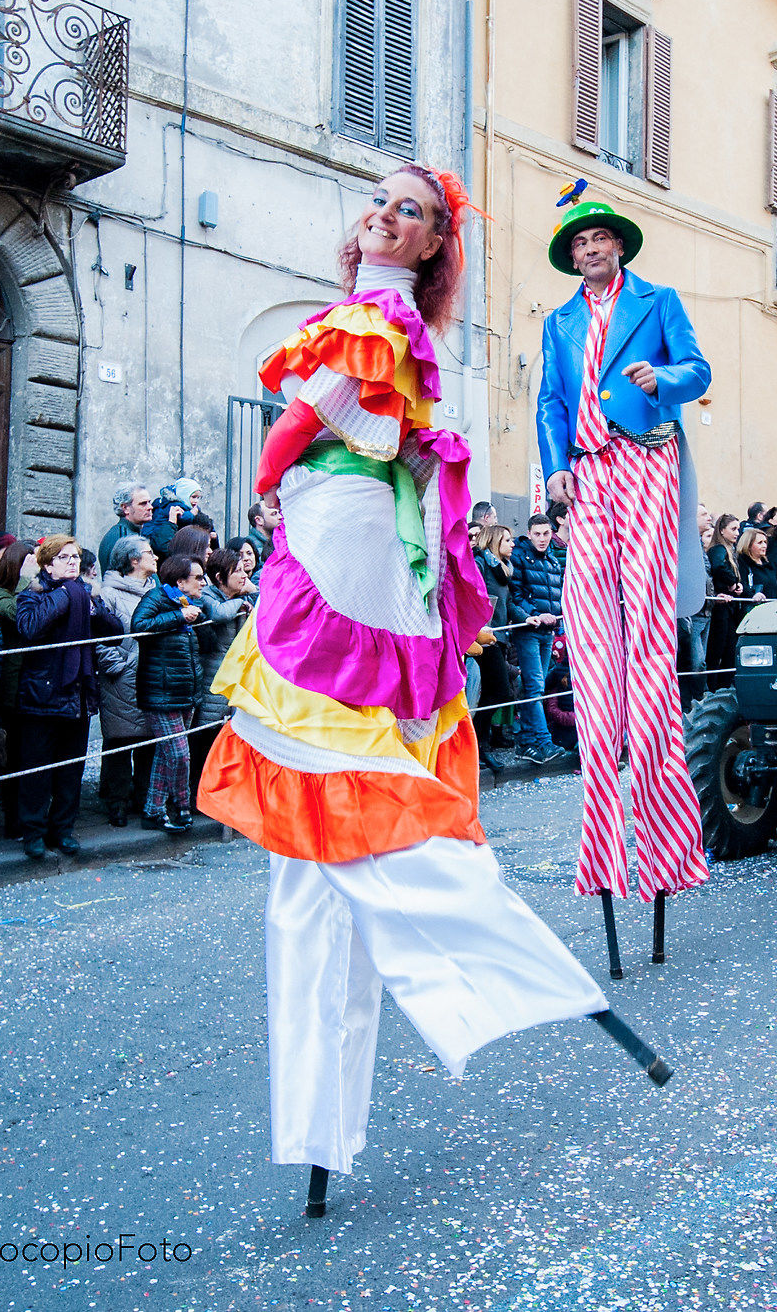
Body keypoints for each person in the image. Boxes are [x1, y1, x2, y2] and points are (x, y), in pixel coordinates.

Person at [196, 164, 658, 1205]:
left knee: (333, 794)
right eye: (379, 199)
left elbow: (296, 427)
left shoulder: (375, 323)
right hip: (341, 545)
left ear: (431, 245)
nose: (384, 213)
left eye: (410, 210)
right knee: (321, 841)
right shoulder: (382, 328)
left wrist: (269, 486)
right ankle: (346, 1104)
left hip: (340, 549)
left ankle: (493, 956)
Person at [533, 185, 716, 908]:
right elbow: (550, 400)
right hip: (588, 470)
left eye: (599, 238)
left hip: (644, 457)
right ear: (572, 256)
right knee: (589, 630)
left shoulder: (658, 300)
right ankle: (604, 824)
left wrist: (661, 377)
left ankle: (663, 815)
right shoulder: (559, 322)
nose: (590, 250)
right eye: (579, 244)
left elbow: (697, 372)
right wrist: (553, 468)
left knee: (644, 619)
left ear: (619, 245)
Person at [16, 534, 124, 856]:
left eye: (75, 557)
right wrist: (66, 594)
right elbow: (29, 628)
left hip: (77, 695)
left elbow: (116, 633)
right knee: (37, 770)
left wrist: (90, 607)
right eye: (64, 558)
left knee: (71, 770)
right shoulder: (33, 594)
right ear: (48, 565)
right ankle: (33, 833)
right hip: (42, 694)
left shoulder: (86, 596)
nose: (73, 562)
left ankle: (62, 829)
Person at [132, 552, 209, 831]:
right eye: (198, 578)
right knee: (178, 754)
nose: (204, 583)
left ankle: (153, 811)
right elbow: (138, 627)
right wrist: (178, 616)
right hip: (161, 691)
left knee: (167, 754)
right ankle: (181, 805)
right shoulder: (155, 598)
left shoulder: (188, 600)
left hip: (185, 689)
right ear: (180, 581)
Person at [189, 549, 255, 811]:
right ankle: (199, 798)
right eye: (236, 571)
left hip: (232, 680)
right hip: (211, 678)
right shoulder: (208, 595)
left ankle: (220, 798)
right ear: (218, 577)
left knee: (227, 741)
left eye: (243, 569)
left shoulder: (238, 595)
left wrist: (249, 590)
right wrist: (240, 601)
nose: (243, 575)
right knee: (205, 740)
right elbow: (218, 613)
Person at [96, 536, 154, 825]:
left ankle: (143, 799)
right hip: (120, 679)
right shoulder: (109, 594)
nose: (155, 557)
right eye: (148, 553)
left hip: (151, 676)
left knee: (149, 742)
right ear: (133, 560)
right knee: (120, 742)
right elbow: (98, 637)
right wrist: (117, 665)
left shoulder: (156, 591)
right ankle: (116, 802)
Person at [0, 539, 37, 841]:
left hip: (35, 685)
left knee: (29, 755)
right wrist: (30, 580)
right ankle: (12, 819)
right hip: (11, 687)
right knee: (13, 755)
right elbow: (21, 616)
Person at [508, 516, 570, 764]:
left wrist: (556, 622)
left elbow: (558, 597)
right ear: (529, 533)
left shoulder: (553, 560)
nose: (542, 539)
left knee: (536, 686)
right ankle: (543, 741)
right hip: (529, 630)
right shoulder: (520, 557)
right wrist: (535, 615)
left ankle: (525, 741)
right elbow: (516, 594)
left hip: (548, 631)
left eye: (546, 534)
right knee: (535, 686)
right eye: (537, 534)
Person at [470, 526, 527, 774]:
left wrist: (528, 617)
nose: (512, 544)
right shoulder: (481, 563)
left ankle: (478, 746)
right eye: (507, 540)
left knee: (495, 693)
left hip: (499, 637)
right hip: (484, 638)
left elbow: (509, 603)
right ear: (494, 541)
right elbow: (472, 596)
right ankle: (478, 746)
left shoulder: (503, 570)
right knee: (499, 692)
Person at [99, 482, 155, 571]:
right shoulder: (121, 537)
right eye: (143, 503)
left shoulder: (131, 533)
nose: (150, 507)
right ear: (125, 508)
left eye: (149, 502)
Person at [144, 478, 205, 558]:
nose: (196, 501)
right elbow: (183, 517)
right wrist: (192, 514)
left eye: (198, 498)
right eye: (193, 497)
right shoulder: (175, 505)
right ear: (184, 495)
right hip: (159, 535)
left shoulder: (165, 503)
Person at [242, 499, 278, 566]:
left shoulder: (279, 541)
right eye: (274, 514)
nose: (280, 517)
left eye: (279, 513)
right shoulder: (249, 546)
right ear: (258, 520)